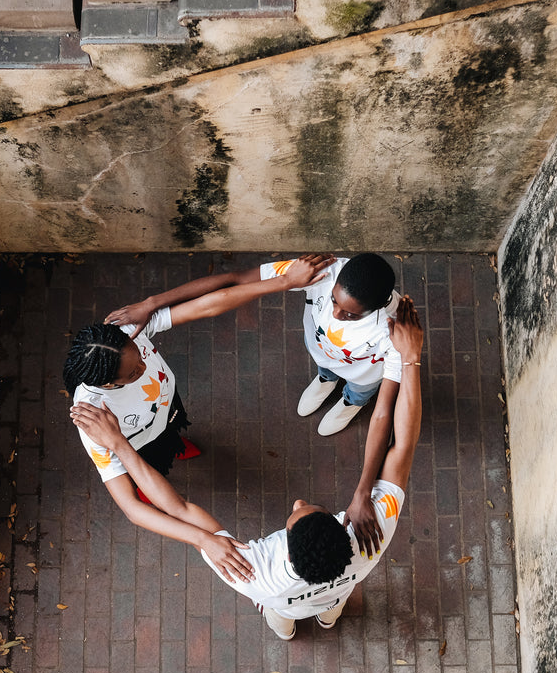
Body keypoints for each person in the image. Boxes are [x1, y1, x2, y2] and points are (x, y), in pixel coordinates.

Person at [105, 252, 403, 553]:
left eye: (351, 315)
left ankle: (351, 402)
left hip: (362, 374)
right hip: (323, 355)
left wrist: (363, 492)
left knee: (360, 391)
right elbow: (235, 280)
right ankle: (326, 381)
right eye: (335, 303)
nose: (337, 314)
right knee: (326, 370)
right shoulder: (324, 271)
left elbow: (383, 415)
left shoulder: (395, 330)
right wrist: (152, 302)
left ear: (377, 308)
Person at [63, 256, 330, 581]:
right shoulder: (95, 419)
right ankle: (166, 457)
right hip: (138, 448)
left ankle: (177, 443)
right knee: (153, 484)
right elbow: (132, 509)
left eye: (140, 357)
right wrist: (202, 538)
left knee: (174, 434)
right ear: (108, 385)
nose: (144, 367)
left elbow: (208, 305)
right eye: (133, 373)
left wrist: (284, 282)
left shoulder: (125, 331)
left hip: (165, 409)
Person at [200, 296, 423, 639]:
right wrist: (408, 360)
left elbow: (184, 513)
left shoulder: (256, 575)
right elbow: (404, 444)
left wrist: (117, 450)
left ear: (287, 553)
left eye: (294, 514)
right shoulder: (370, 538)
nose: (298, 502)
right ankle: (329, 620)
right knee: (333, 608)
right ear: (343, 528)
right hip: (337, 593)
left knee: (281, 621)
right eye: (310, 508)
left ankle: (289, 633)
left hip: (284, 604)